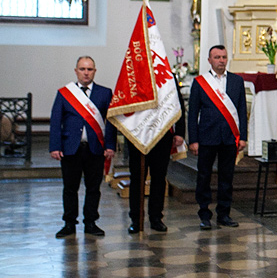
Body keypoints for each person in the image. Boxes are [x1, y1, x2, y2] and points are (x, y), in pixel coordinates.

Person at [50, 56, 117, 238]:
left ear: (95, 71)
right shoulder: (65, 93)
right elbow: (56, 121)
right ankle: (69, 224)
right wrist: (55, 146)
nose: (86, 72)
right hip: (71, 148)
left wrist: (110, 145)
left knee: (93, 188)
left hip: (95, 148)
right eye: (82, 69)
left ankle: (91, 223)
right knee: (70, 188)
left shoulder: (105, 93)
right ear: (76, 71)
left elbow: (110, 122)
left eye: (89, 69)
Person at [188, 45, 248, 230]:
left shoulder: (237, 81)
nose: (221, 60)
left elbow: (242, 111)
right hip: (207, 137)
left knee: (226, 177)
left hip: (230, 137)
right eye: (217, 57)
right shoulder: (200, 82)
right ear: (209, 60)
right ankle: (204, 214)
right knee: (204, 176)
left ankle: (224, 214)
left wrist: (243, 137)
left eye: (223, 57)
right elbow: (192, 113)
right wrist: (194, 140)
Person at [127, 77, 185, 234]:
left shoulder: (167, 75)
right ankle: (136, 219)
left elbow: (178, 104)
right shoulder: (132, 73)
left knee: (159, 178)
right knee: (137, 178)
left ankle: (156, 218)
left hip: (162, 135)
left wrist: (179, 132)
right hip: (137, 136)